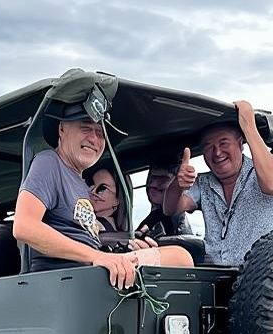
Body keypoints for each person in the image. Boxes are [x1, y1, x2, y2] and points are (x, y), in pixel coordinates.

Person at [12, 101, 192, 289]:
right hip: (66, 281)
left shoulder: (80, 184)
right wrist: (98, 256)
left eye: (100, 133)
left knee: (181, 257)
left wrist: (127, 254)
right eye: (85, 129)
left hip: (89, 275)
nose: (94, 139)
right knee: (181, 257)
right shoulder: (49, 162)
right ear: (62, 129)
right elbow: (24, 226)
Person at [164, 100, 273, 265]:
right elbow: (170, 208)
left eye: (224, 143)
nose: (217, 152)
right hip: (219, 279)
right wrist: (177, 186)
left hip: (266, 276)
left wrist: (249, 126)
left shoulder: (264, 169)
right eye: (208, 147)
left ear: (240, 144)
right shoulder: (203, 182)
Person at [134, 158, 192, 238]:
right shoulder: (154, 216)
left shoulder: (174, 219)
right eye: (152, 177)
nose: (154, 182)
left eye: (164, 179)